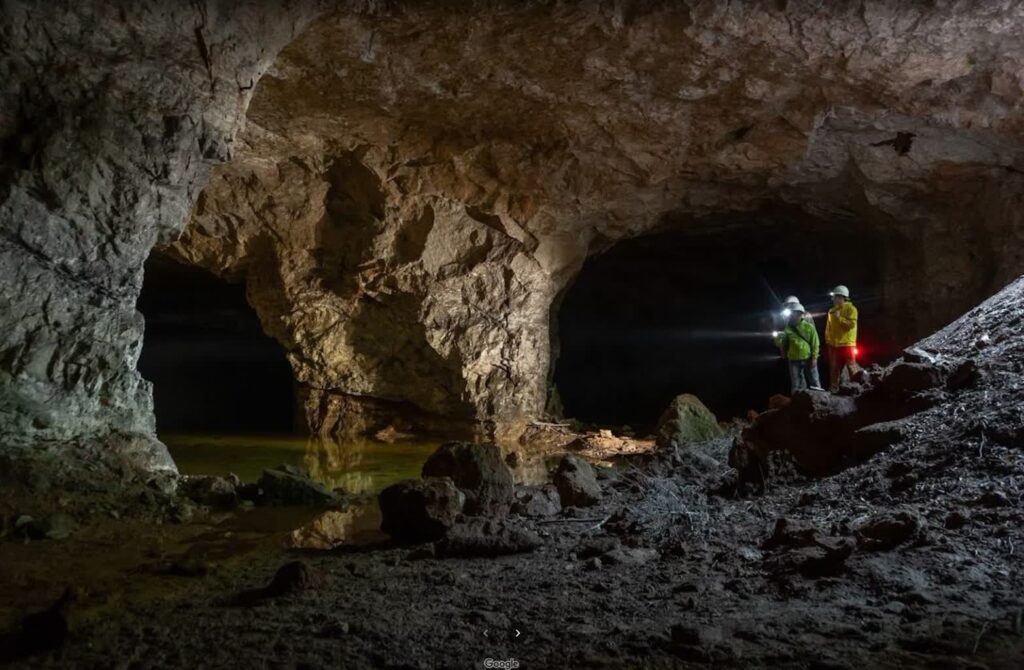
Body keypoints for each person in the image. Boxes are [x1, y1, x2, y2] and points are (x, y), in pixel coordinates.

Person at [773, 303, 822, 393]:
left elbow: (815, 343)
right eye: (791, 313)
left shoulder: (809, 327)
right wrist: (778, 338)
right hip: (794, 359)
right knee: (796, 384)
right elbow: (781, 344)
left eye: (793, 313)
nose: (791, 315)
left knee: (814, 381)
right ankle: (797, 403)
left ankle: (821, 400)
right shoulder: (787, 328)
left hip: (808, 358)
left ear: (800, 314)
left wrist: (814, 358)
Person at [825, 284, 860, 391]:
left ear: (842, 297)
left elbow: (851, 325)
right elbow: (828, 327)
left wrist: (839, 318)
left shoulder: (851, 309)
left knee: (851, 366)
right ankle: (834, 389)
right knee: (834, 368)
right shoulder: (832, 311)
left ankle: (857, 388)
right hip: (833, 344)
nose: (833, 299)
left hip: (847, 343)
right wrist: (828, 339)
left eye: (835, 297)